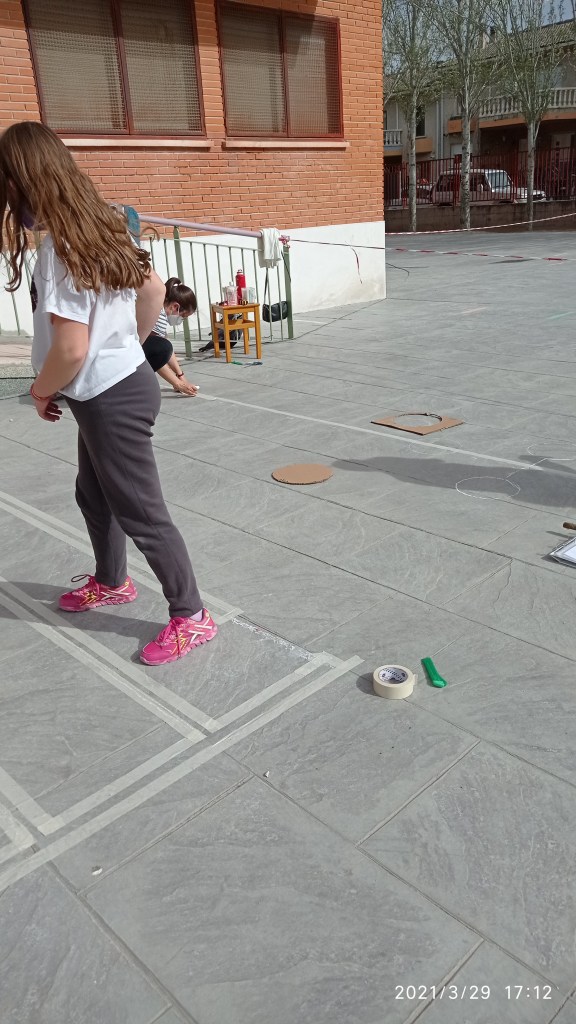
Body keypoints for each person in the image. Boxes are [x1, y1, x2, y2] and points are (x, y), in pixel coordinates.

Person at [0, 121, 217, 666]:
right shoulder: (102, 224)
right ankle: (113, 581)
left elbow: (71, 348)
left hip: (110, 397)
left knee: (141, 512)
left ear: (24, 180)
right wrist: (128, 347)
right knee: (93, 495)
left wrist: (40, 391)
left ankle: (192, 615)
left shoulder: (60, 248)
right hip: (107, 389)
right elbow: (152, 289)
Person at [143, 277, 199, 397]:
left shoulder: (160, 309)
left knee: (165, 345)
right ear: (175, 307)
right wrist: (178, 384)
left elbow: (166, 349)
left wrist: (180, 376)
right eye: (183, 316)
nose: (181, 320)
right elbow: (155, 353)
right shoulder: (158, 316)